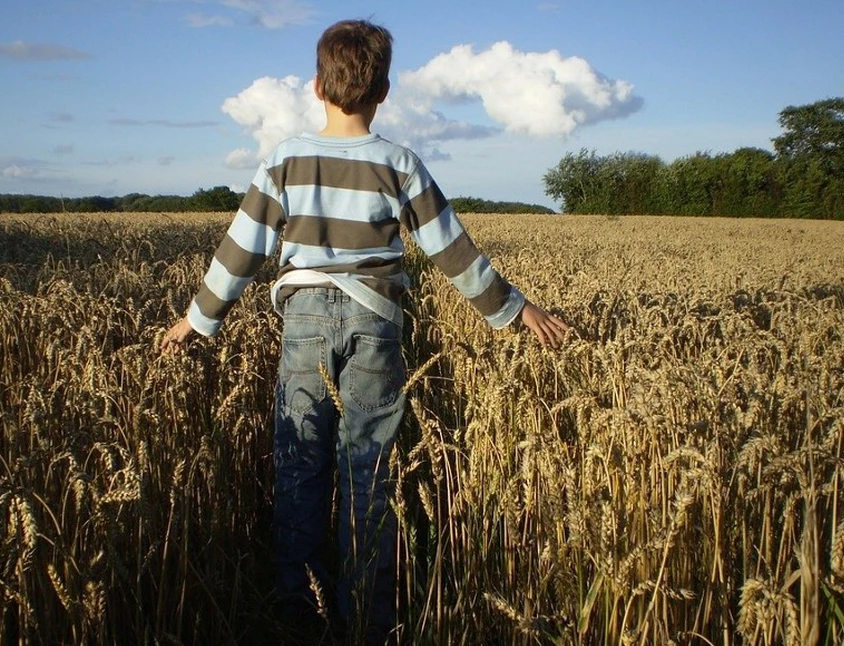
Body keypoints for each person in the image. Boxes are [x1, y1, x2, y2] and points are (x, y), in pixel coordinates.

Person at [161, 18, 568, 645]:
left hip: (302, 323)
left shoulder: (285, 160)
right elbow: (450, 249)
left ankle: (298, 608)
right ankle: (367, 616)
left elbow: (240, 249)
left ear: (317, 85)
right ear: (384, 90)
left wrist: (199, 317)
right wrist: (512, 308)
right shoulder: (399, 162)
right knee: (368, 466)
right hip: (376, 324)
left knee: (300, 461)